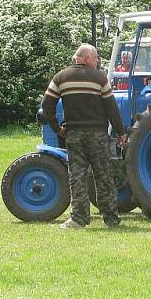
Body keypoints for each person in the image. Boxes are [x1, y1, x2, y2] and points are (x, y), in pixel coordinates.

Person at [41, 44, 126, 229]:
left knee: (77, 176)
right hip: (98, 135)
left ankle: (79, 218)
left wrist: (57, 128)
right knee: (103, 175)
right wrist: (121, 133)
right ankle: (111, 218)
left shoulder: (60, 77)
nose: (97, 62)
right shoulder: (100, 78)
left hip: (73, 135)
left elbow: (47, 104)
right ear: (87, 58)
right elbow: (112, 108)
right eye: (95, 59)